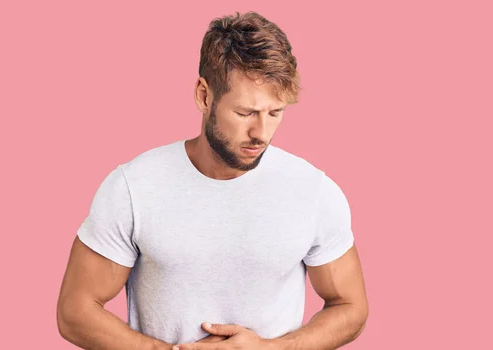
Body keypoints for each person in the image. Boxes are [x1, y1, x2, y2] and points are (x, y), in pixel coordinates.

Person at [57, 11, 368, 350]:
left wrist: (272, 349)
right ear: (204, 96)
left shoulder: (314, 191)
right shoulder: (134, 187)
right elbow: (75, 311)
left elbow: (350, 307)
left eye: (275, 113)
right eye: (245, 113)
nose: (260, 133)